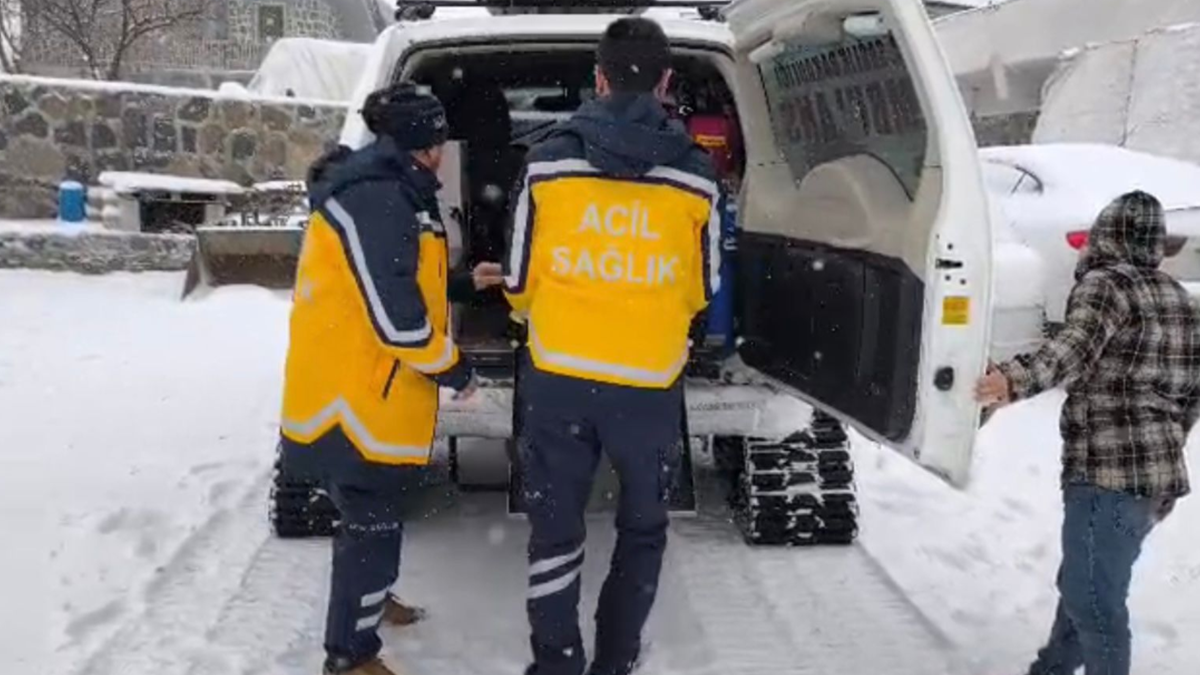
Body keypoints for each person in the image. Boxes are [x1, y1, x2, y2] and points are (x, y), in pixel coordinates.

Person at [503, 17, 720, 675]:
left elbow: (516, 282)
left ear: (597, 79)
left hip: (558, 375)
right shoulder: (699, 176)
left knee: (555, 531)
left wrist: (550, 308)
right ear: (666, 82)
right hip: (647, 384)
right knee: (644, 529)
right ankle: (615, 660)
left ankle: (557, 662)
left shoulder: (545, 163)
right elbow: (705, 287)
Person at [280, 81, 503, 675]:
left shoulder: (395, 191)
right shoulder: (377, 199)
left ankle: (371, 603)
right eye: (437, 140)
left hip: (367, 387)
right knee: (370, 522)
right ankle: (350, 656)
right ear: (421, 144)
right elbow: (396, 322)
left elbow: (400, 282)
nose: (444, 152)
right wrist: (454, 368)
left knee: (371, 519)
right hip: (350, 395)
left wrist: (463, 285)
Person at [976, 191, 1198, 675]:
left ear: (1106, 236)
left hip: (1107, 476)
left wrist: (1009, 381)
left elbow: (1072, 349)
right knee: (1086, 585)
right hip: (1155, 482)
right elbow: (1191, 394)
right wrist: (1163, 451)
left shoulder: (1106, 285)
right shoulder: (1178, 296)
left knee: (1093, 601)